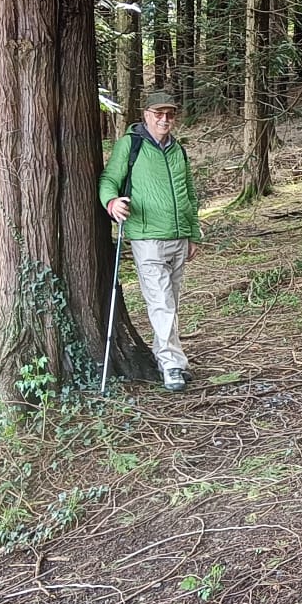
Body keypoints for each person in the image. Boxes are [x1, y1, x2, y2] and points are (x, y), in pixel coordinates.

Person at [100, 92, 201, 391]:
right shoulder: (131, 145)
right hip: (148, 238)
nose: (164, 119)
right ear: (146, 115)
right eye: (158, 114)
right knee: (162, 303)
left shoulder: (178, 150)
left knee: (170, 304)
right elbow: (109, 180)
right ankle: (172, 365)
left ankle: (165, 355)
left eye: (169, 114)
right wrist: (112, 202)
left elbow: (188, 193)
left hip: (178, 237)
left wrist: (193, 233)